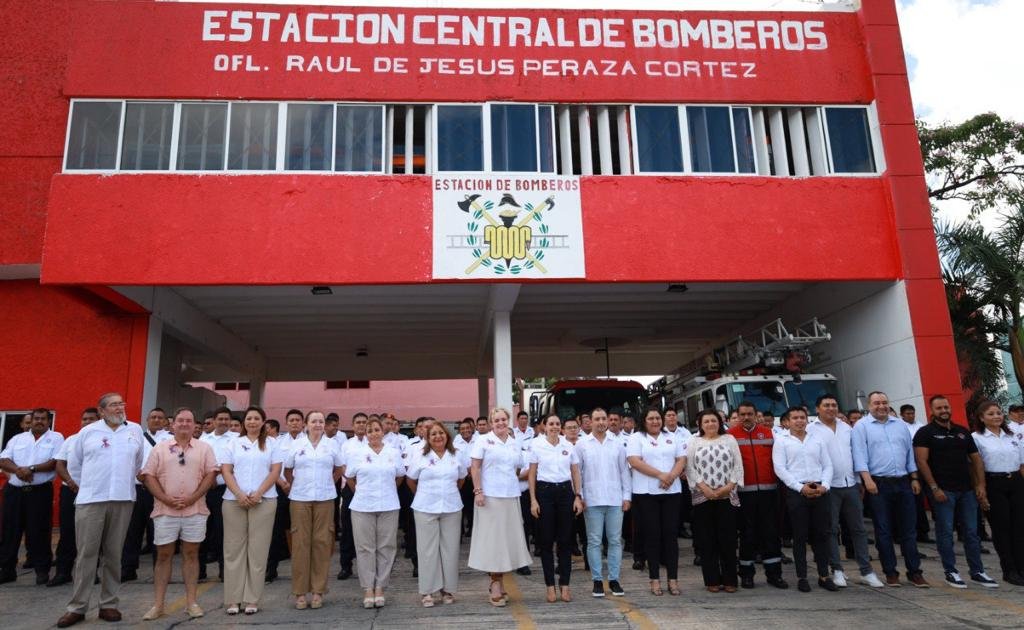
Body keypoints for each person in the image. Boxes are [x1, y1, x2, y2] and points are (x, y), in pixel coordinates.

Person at [57, 393, 144, 628]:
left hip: (123, 498)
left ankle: (108, 604)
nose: (120, 408)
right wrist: (90, 485)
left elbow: (138, 463)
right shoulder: (88, 432)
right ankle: (77, 607)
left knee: (114, 554)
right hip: (91, 500)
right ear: (102, 410)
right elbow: (74, 465)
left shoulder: (134, 430)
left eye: (122, 404)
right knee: (86, 554)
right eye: (114, 405)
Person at [140, 408, 217, 621]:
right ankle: (158, 605)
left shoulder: (204, 448)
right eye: (180, 421)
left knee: (191, 554)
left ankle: (191, 602)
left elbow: (211, 474)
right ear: (172, 425)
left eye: (189, 421)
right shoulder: (160, 449)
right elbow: (149, 475)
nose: (184, 424)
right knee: (163, 555)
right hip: (165, 510)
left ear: (194, 426)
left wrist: (193, 498)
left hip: (195, 510)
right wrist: (164, 498)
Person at [913, 395, 997, 589]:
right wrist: (934, 487)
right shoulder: (925, 433)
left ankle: (977, 571)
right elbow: (922, 462)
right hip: (943, 491)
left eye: (946, 407)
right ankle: (951, 571)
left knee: (971, 532)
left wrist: (980, 485)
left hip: (967, 490)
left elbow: (975, 459)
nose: (944, 411)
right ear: (932, 411)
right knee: (945, 533)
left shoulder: (962, 432)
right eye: (939, 408)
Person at [852, 391, 928, 587]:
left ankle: (914, 572)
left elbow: (909, 453)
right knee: (883, 530)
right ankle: (891, 572)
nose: (881, 406)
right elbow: (859, 455)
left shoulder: (900, 425)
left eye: (884, 402)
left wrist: (914, 477)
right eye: (877, 403)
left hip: (904, 482)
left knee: (909, 530)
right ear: (869, 406)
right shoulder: (862, 427)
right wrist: (867, 480)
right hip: (879, 484)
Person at [807, 395, 884, 588]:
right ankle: (838, 570)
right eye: (826, 405)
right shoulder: (811, 430)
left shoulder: (847, 428)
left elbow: (857, 454)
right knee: (831, 530)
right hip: (828, 487)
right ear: (817, 409)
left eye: (834, 405)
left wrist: (860, 480)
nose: (831, 408)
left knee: (858, 529)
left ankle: (866, 571)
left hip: (850, 484)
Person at [220, 406, 283, 615]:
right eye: (249, 418)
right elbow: (226, 470)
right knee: (233, 550)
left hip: (264, 501)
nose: (252, 422)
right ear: (244, 422)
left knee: (258, 551)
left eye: (257, 418)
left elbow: (275, 471)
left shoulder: (273, 443)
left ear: (263, 421)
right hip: (233, 501)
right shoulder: (233, 443)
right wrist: (239, 494)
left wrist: (258, 493)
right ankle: (233, 599)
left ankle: (251, 599)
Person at [468, 407, 533, 607]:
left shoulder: (515, 443)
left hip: (511, 496)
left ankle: (501, 581)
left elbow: (520, 468)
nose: (501, 423)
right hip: (490, 497)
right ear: (491, 422)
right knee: (493, 543)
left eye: (504, 419)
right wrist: (478, 491)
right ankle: (494, 582)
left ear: (508, 420)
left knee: (506, 542)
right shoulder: (483, 440)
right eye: (497, 420)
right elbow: (475, 467)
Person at [772, 407, 837, 592]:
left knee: (821, 535)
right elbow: (780, 468)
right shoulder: (782, 441)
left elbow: (827, 464)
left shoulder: (816, 439)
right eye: (795, 418)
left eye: (802, 417)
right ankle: (802, 577)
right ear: (787, 421)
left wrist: (825, 485)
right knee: (799, 537)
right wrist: (801, 487)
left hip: (820, 490)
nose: (799, 421)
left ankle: (824, 575)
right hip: (797, 491)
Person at [285, 410, 344, 610]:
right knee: (300, 544)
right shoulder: (296, 445)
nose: (318, 424)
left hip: (325, 498)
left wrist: (329, 482)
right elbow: (287, 469)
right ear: (306, 424)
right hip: (300, 498)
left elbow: (339, 468)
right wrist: (296, 485)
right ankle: (300, 593)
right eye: (314, 421)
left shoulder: (332, 445)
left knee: (322, 543)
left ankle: (318, 591)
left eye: (320, 421)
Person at [0, 407, 64, 585]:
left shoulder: (56, 438)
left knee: (40, 532)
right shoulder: (17, 439)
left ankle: (42, 571)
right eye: (36, 418)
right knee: (10, 531)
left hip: (39, 492)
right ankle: (7, 570)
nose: (39, 421)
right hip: (14, 491)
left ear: (48, 421)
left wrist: (32, 469)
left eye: (43, 418)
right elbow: (4, 459)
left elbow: (55, 462)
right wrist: (19, 470)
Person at [345, 417, 405, 608]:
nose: (373, 433)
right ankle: (367, 588)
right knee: (365, 548)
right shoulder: (357, 453)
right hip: (362, 506)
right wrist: (362, 493)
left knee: (386, 547)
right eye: (369, 430)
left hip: (388, 505)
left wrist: (387, 491)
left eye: (376, 429)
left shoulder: (393, 453)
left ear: (382, 432)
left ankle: (380, 586)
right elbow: (350, 478)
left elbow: (400, 476)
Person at [728, 401, 788, 589]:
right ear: (738, 416)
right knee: (747, 535)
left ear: (756, 415)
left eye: (750, 414)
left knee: (771, 533)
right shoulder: (730, 436)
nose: (746, 417)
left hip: (769, 492)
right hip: (744, 494)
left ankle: (774, 574)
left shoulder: (770, 433)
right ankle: (746, 574)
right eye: (743, 414)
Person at [626, 407, 685, 596]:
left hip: (671, 491)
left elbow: (681, 459)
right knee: (652, 536)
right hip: (646, 494)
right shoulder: (636, 438)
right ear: (644, 421)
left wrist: (670, 477)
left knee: (670, 535)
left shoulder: (673, 437)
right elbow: (635, 461)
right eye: (650, 418)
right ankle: (654, 579)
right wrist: (660, 474)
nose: (655, 421)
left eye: (657, 418)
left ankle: (673, 579)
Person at [408, 422, 467, 607]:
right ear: (428, 437)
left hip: (451, 507)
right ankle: (427, 591)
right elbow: (411, 480)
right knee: (427, 551)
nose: (437, 437)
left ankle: (448, 589)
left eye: (441, 433)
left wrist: (448, 492)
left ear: (447, 435)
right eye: (433, 434)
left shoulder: (456, 455)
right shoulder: (420, 456)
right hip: (425, 507)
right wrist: (425, 494)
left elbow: (462, 479)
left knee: (450, 550)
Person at [576, 407, 631, 598]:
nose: (601, 422)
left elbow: (624, 471)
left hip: (615, 499)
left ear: (608, 421)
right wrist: (579, 496)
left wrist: (627, 497)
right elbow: (577, 474)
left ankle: (614, 579)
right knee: (594, 542)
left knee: (615, 541)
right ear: (589, 422)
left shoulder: (617, 444)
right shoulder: (582, 445)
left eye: (603, 419)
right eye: (597, 419)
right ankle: (597, 580)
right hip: (592, 500)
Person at [528, 414, 584, 602]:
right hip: (544, 492)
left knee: (566, 540)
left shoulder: (568, 445)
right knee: (545, 542)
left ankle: (565, 585)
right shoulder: (536, 445)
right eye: (550, 424)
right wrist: (533, 500)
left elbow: (575, 472)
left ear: (561, 427)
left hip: (565, 493)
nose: (554, 427)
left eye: (557, 424)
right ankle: (550, 585)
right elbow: (532, 474)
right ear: (544, 426)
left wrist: (578, 496)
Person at [686, 409, 743, 592]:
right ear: (700, 425)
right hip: (703, 497)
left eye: (713, 420)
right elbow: (690, 468)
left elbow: (738, 465)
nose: (710, 424)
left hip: (726, 496)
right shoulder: (694, 442)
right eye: (706, 421)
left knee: (727, 540)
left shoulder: (729, 440)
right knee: (707, 540)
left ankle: (730, 580)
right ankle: (711, 580)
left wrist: (728, 487)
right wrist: (705, 488)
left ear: (719, 422)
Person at [972, 401, 1024, 585]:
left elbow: (1021, 463)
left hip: (1016, 482)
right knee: (1002, 529)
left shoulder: (1012, 436)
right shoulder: (977, 438)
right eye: (991, 414)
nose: (996, 416)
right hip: (993, 484)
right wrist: (981, 490)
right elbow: (975, 468)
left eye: (998, 413)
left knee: (1019, 527)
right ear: (981, 418)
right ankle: (1009, 570)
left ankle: (1021, 567)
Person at [50, 408, 100, 587]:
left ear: (99, 420)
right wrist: (70, 482)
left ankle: (90, 573)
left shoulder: (105, 441)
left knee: (91, 536)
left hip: (94, 493)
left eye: (91, 419)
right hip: (71, 491)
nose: (87, 422)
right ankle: (63, 572)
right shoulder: (71, 440)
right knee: (67, 533)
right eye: (84, 419)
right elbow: (60, 464)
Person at [122, 407, 170, 583]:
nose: (156, 420)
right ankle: (128, 568)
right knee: (132, 531)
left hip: (158, 491)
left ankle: (160, 570)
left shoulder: (171, 440)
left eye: (160, 417)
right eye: (153, 417)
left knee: (158, 531)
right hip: (136, 490)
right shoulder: (137, 438)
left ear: (165, 421)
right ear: (147, 420)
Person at [198, 406, 239, 581]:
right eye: (220, 419)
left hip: (228, 490)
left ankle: (225, 571)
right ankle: (199, 571)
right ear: (214, 421)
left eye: (226, 419)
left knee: (224, 531)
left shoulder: (237, 439)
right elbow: (199, 462)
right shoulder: (204, 440)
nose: (223, 422)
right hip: (206, 491)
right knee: (203, 530)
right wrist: (209, 477)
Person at [267, 408, 304, 582]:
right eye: (292, 420)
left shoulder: (310, 441)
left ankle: (301, 568)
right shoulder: (278, 442)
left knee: (300, 529)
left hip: (304, 491)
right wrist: (283, 483)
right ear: (286, 423)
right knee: (277, 529)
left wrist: (296, 486)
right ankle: (271, 569)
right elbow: (274, 466)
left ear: (303, 423)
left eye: (298, 420)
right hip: (282, 488)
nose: (295, 423)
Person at [337, 412, 369, 581]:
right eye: (358, 422)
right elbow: (342, 466)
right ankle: (346, 566)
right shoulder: (346, 445)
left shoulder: (376, 443)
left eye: (364, 422)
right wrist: (353, 486)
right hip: (351, 489)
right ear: (353, 425)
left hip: (370, 489)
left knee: (368, 530)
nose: (361, 425)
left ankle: (370, 567)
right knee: (348, 528)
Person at [664, 408, 693, 539]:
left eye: (673, 415)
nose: (671, 418)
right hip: (668, 475)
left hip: (684, 474)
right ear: (664, 418)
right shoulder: (661, 433)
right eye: (668, 415)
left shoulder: (685, 432)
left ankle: (681, 527)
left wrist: (685, 470)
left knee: (683, 503)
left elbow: (691, 452)